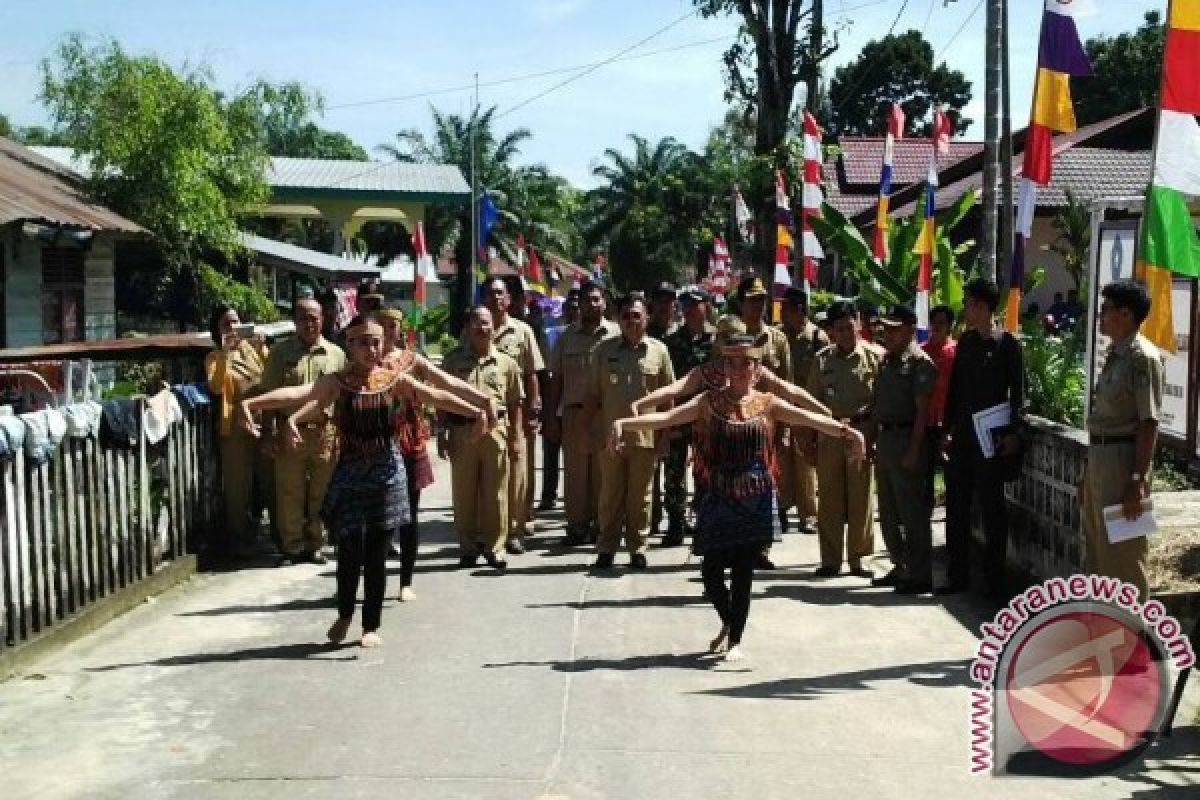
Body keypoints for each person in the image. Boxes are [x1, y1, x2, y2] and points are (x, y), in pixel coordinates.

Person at [610, 332, 866, 661]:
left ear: (758, 370)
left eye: (748, 363)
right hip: (718, 496)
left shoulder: (768, 404)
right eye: (733, 363)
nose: (741, 369)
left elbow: (809, 418)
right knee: (711, 572)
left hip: (756, 497)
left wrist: (850, 433)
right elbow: (666, 417)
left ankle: (735, 640)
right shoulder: (707, 403)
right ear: (724, 368)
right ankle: (730, 622)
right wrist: (623, 423)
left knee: (743, 572)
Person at [243, 315, 489, 647]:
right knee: (348, 548)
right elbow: (296, 393)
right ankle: (345, 612)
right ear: (350, 345)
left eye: (376, 342)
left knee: (376, 552)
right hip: (350, 472)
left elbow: (439, 392)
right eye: (363, 342)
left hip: (388, 473)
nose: (371, 349)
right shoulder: (337, 382)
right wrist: (252, 403)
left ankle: (370, 624)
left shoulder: (395, 380)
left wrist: (478, 407)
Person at [374, 307, 496, 599]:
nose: (389, 331)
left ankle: (405, 581)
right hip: (374, 446)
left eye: (394, 325)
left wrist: (481, 400)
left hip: (409, 442)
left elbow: (444, 384)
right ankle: (372, 582)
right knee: (378, 518)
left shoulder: (411, 360)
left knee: (409, 515)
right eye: (383, 325)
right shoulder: (363, 363)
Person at [941, 278, 1024, 601]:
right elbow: (955, 391)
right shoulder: (966, 342)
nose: (965, 308)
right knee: (957, 509)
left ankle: (994, 582)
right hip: (963, 438)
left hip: (992, 441)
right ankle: (957, 575)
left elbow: (1018, 393)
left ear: (983, 306)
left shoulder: (1007, 345)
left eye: (969, 302)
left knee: (993, 512)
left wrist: (1015, 434)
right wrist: (946, 430)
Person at [1082, 280, 1164, 601]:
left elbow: (1148, 423)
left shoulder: (1143, 358)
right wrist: (1087, 472)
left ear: (1126, 314)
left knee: (1125, 557)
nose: (1101, 316)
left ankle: (1134, 638)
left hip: (1123, 461)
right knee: (1098, 551)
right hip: (1101, 458)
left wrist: (1137, 480)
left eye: (1107, 310)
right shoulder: (1116, 355)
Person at [258, 297, 346, 566]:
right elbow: (269, 395)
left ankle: (315, 544)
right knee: (290, 490)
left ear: (323, 320)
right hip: (289, 432)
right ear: (295, 321)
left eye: (314, 318)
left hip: (325, 432)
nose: (309, 323)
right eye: (303, 318)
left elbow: (343, 398)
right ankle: (292, 547)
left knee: (321, 491)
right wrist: (267, 432)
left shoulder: (337, 354)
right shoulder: (280, 354)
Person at [592, 294, 675, 569]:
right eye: (626, 316)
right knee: (610, 496)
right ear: (619, 319)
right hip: (611, 437)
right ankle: (607, 547)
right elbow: (594, 396)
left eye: (636, 315)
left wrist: (665, 435)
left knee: (641, 496)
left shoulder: (659, 351)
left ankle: (638, 547)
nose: (631, 321)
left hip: (645, 436)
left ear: (647, 319)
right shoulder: (603, 351)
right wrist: (592, 432)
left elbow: (667, 398)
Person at [440, 307, 524, 570]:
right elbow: (441, 397)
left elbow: (514, 404)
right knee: (464, 494)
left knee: (497, 494)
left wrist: (516, 437)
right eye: (476, 323)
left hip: (496, 432)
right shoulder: (453, 361)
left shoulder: (507, 363)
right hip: (462, 432)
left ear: (493, 328)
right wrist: (441, 430)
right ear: (467, 328)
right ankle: (467, 548)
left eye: (486, 324)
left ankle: (495, 548)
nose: (482, 329)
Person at [807, 300, 881, 579]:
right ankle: (830, 559)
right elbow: (811, 402)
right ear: (832, 332)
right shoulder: (822, 360)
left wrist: (873, 438)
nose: (845, 333)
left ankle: (860, 558)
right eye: (839, 329)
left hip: (861, 434)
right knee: (829, 498)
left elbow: (880, 402)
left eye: (849, 327)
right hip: (830, 433)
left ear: (859, 324)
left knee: (861, 498)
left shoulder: (875, 358)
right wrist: (807, 441)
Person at [870, 305, 938, 593]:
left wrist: (913, 450)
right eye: (886, 328)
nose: (889, 333)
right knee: (887, 510)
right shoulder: (887, 361)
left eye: (895, 328)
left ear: (910, 328)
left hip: (907, 438)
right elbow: (878, 404)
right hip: (886, 440)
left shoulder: (919, 363)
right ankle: (901, 566)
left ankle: (920, 573)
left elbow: (923, 412)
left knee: (912, 512)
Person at [546, 282, 618, 546]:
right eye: (587, 300)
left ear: (605, 303)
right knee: (575, 475)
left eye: (597, 299)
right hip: (574, 415)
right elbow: (556, 380)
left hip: (605, 414)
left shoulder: (616, 335)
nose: (592, 304)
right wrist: (551, 418)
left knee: (604, 473)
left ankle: (603, 525)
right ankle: (577, 527)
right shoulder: (566, 337)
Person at [479, 277, 544, 554]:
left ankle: (515, 531)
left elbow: (532, 374)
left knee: (518, 475)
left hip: (515, 413)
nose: (496, 299)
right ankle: (489, 531)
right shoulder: (474, 329)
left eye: (500, 294)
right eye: (490, 294)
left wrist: (534, 410)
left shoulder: (523, 331)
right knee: (488, 476)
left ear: (508, 299)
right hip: (483, 416)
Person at [204, 306, 272, 559]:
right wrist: (225, 352)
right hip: (233, 425)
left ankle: (278, 534)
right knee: (236, 486)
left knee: (271, 477)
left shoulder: (253, 350)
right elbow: (215, 386)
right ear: (218, 330)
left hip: (262, 421)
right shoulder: (214, 357)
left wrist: (262, 346)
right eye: (226, 324)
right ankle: (239, 540)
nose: (232, 328)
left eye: (236, 323)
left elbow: (270, 375)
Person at [661, 287, 716, 546]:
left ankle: (705, 520)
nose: (690, 310)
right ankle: (675, 522)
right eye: (685, 305)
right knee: (673, 470)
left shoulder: (716, 341)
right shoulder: (671, 341)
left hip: (707, 416)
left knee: (705, 471)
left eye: (695, 304)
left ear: (706, 306)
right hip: (680, 413)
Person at [778, 288, 829, 536]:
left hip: (807, 406)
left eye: (786, 308)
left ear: (798, 310)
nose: (783, 313)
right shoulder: (778, 336)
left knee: (805, 462)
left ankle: (809, 514)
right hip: (782, 405)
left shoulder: (818, 337)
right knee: (782, 460)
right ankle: (783, 508)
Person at [538, 290, 581, 512]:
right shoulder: (552, 334)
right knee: (551, 452)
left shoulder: (589, 335)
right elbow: (547, 372)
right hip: (555, 400)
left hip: (576, 405)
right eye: (570, 308)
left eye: (577, 307)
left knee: (575, 459)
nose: (574, 311)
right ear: (564, 312)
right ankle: (548, 494)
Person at [921, 305, 957, 510]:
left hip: (948, 421)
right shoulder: (922, 351)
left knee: (950, 469)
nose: (937, 327)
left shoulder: (956, 352)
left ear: (949, 326)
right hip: (925, 420)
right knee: (925, 469)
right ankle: (926, 507)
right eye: (934, 322)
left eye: (942, 323)